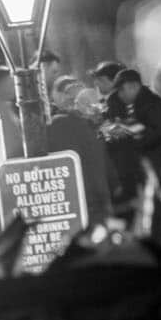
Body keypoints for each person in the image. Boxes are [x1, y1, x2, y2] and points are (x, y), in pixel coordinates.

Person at [102, 67, 161, 209]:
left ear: (134, 86)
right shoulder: (120, 104)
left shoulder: (154, 104)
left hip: (157, 166)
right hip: (133, 172)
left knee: (160, 208)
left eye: (122, 90)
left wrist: (129, 129)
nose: (120, 95)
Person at [46, 75, 113, 220]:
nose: (95, 109)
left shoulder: (91, 126)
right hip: (84, 197)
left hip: (89, 197)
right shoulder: (61, 125)